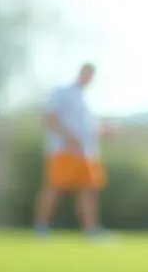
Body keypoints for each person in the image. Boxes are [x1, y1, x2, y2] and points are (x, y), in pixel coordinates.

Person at [33, 63, 113, 238]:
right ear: (81, 73)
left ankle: (91, 230)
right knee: (54, 188)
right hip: (63, 151)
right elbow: (48, 117)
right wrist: (67, 137)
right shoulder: (63, 93)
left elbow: (87, 128)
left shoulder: (85, 100)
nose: (89, 79)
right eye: (87, 74)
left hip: (86, 153)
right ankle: (40, 227)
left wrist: (102, 131)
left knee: (88, 190)